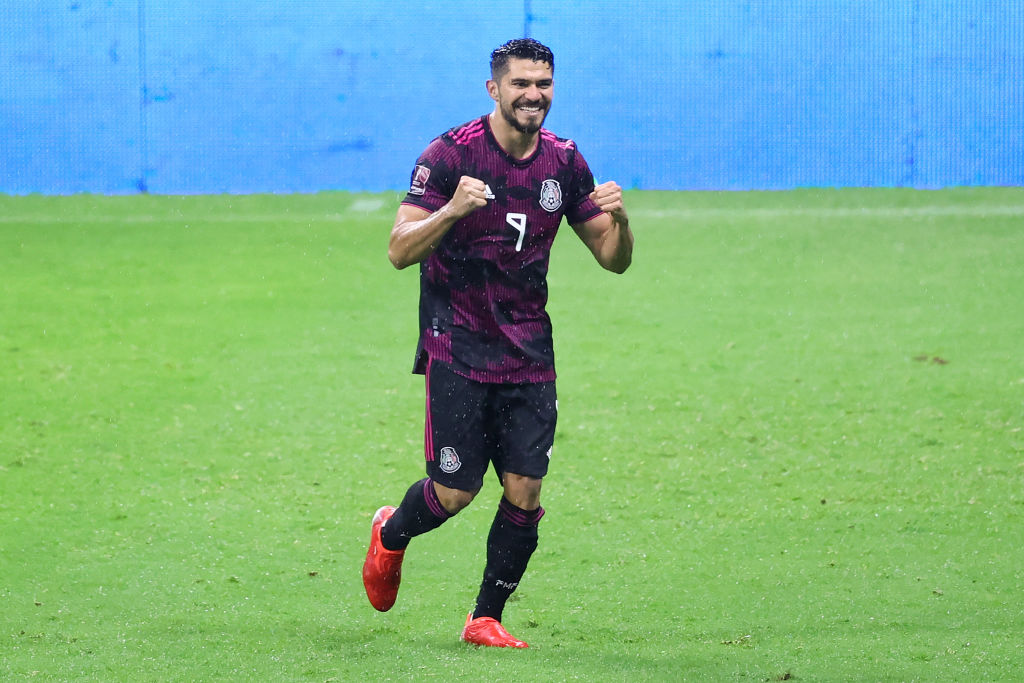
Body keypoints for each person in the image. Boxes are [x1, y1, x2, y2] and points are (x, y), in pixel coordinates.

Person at [362, 38, 634, 648]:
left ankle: (485, 617)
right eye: (520, 84)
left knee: (526, 490)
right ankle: (391, 533)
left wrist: (620, 220)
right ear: (494, 89)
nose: (533, 95)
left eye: (543, 84)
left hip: (529, 352)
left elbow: (611, 261)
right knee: (455, 493)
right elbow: (399, 251)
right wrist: (452, 210)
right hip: (456, 345)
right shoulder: (449, 154)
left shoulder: (564, 163)